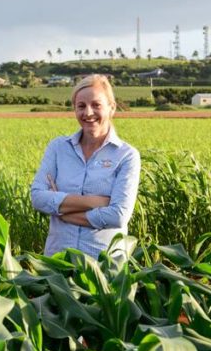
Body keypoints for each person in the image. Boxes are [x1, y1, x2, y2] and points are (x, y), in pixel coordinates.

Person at [30, 74, 140, 257]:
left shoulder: (126, 155)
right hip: (58, 260)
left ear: (112, 108)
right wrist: (96, 202)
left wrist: (64, 213)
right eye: (81, 106)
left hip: (104, 266)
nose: (88, 113)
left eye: (96, 105)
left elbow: (118, 215)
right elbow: (38, 198)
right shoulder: (58, 148)